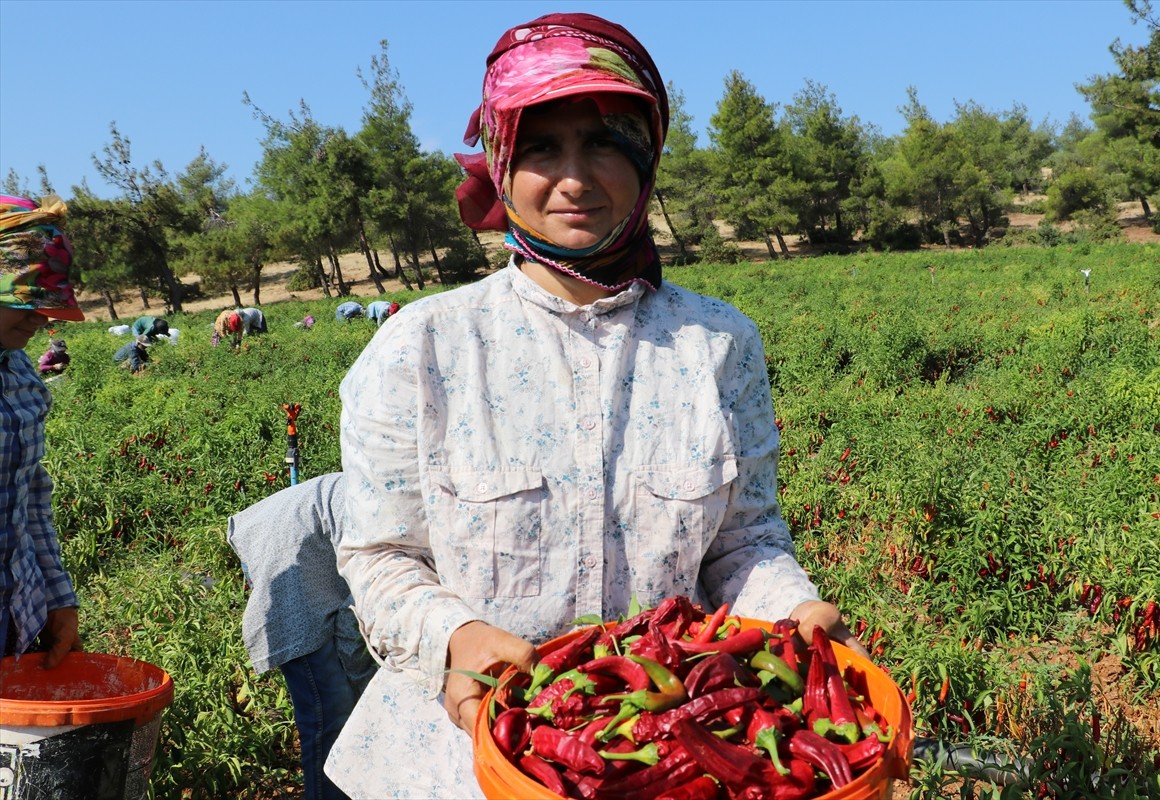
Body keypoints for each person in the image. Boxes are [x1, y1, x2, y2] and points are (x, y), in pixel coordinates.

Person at [327, 14, 865, 798]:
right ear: (502, 165)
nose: (574, 179)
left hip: (667, 754)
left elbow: (743, 543)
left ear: (645, 160)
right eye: (542, 148)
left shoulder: (717, 343)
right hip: (456, 757)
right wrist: (456, 637)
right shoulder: (423, 347)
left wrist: (794, 606)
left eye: (605, 143)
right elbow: (380, 555)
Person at [226, 473, 377, 800]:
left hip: (290, 537)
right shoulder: (381, 523)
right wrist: (367, 688)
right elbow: (354, 623)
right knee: (331, 711)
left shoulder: (391, 509)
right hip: (286, 560)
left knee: (339, 706)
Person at [0, 194, 85, 666]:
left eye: (46, 303)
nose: (41, 316)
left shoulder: (19, 371)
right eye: (25, 301)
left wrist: (57, 598)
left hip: (18, 614)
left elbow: (29, 493)